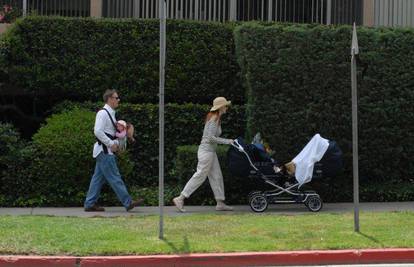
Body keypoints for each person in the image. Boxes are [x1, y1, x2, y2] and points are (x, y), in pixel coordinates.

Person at [173, 97, 235, 212]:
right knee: (200, 175)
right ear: (221, 107)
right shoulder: (214, 118)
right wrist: (228, 141)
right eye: (225, 106)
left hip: (210, 152)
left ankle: (220, 202)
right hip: (206, 152)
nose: (227, 107)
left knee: (216, 176)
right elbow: (211, 138)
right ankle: (180, 198)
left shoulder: (216, 118)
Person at [84, 89, 142, 212]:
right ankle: (128, 202)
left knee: (98, 179)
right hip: (105, 151)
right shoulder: (103, 113)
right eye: (116, 98)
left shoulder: (109, 113)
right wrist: (111, 144)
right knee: (115, 177)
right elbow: (97, 131)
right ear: (110, 99)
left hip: (103, 151)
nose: (118, 100)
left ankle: (89, 203)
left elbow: (111, 131)